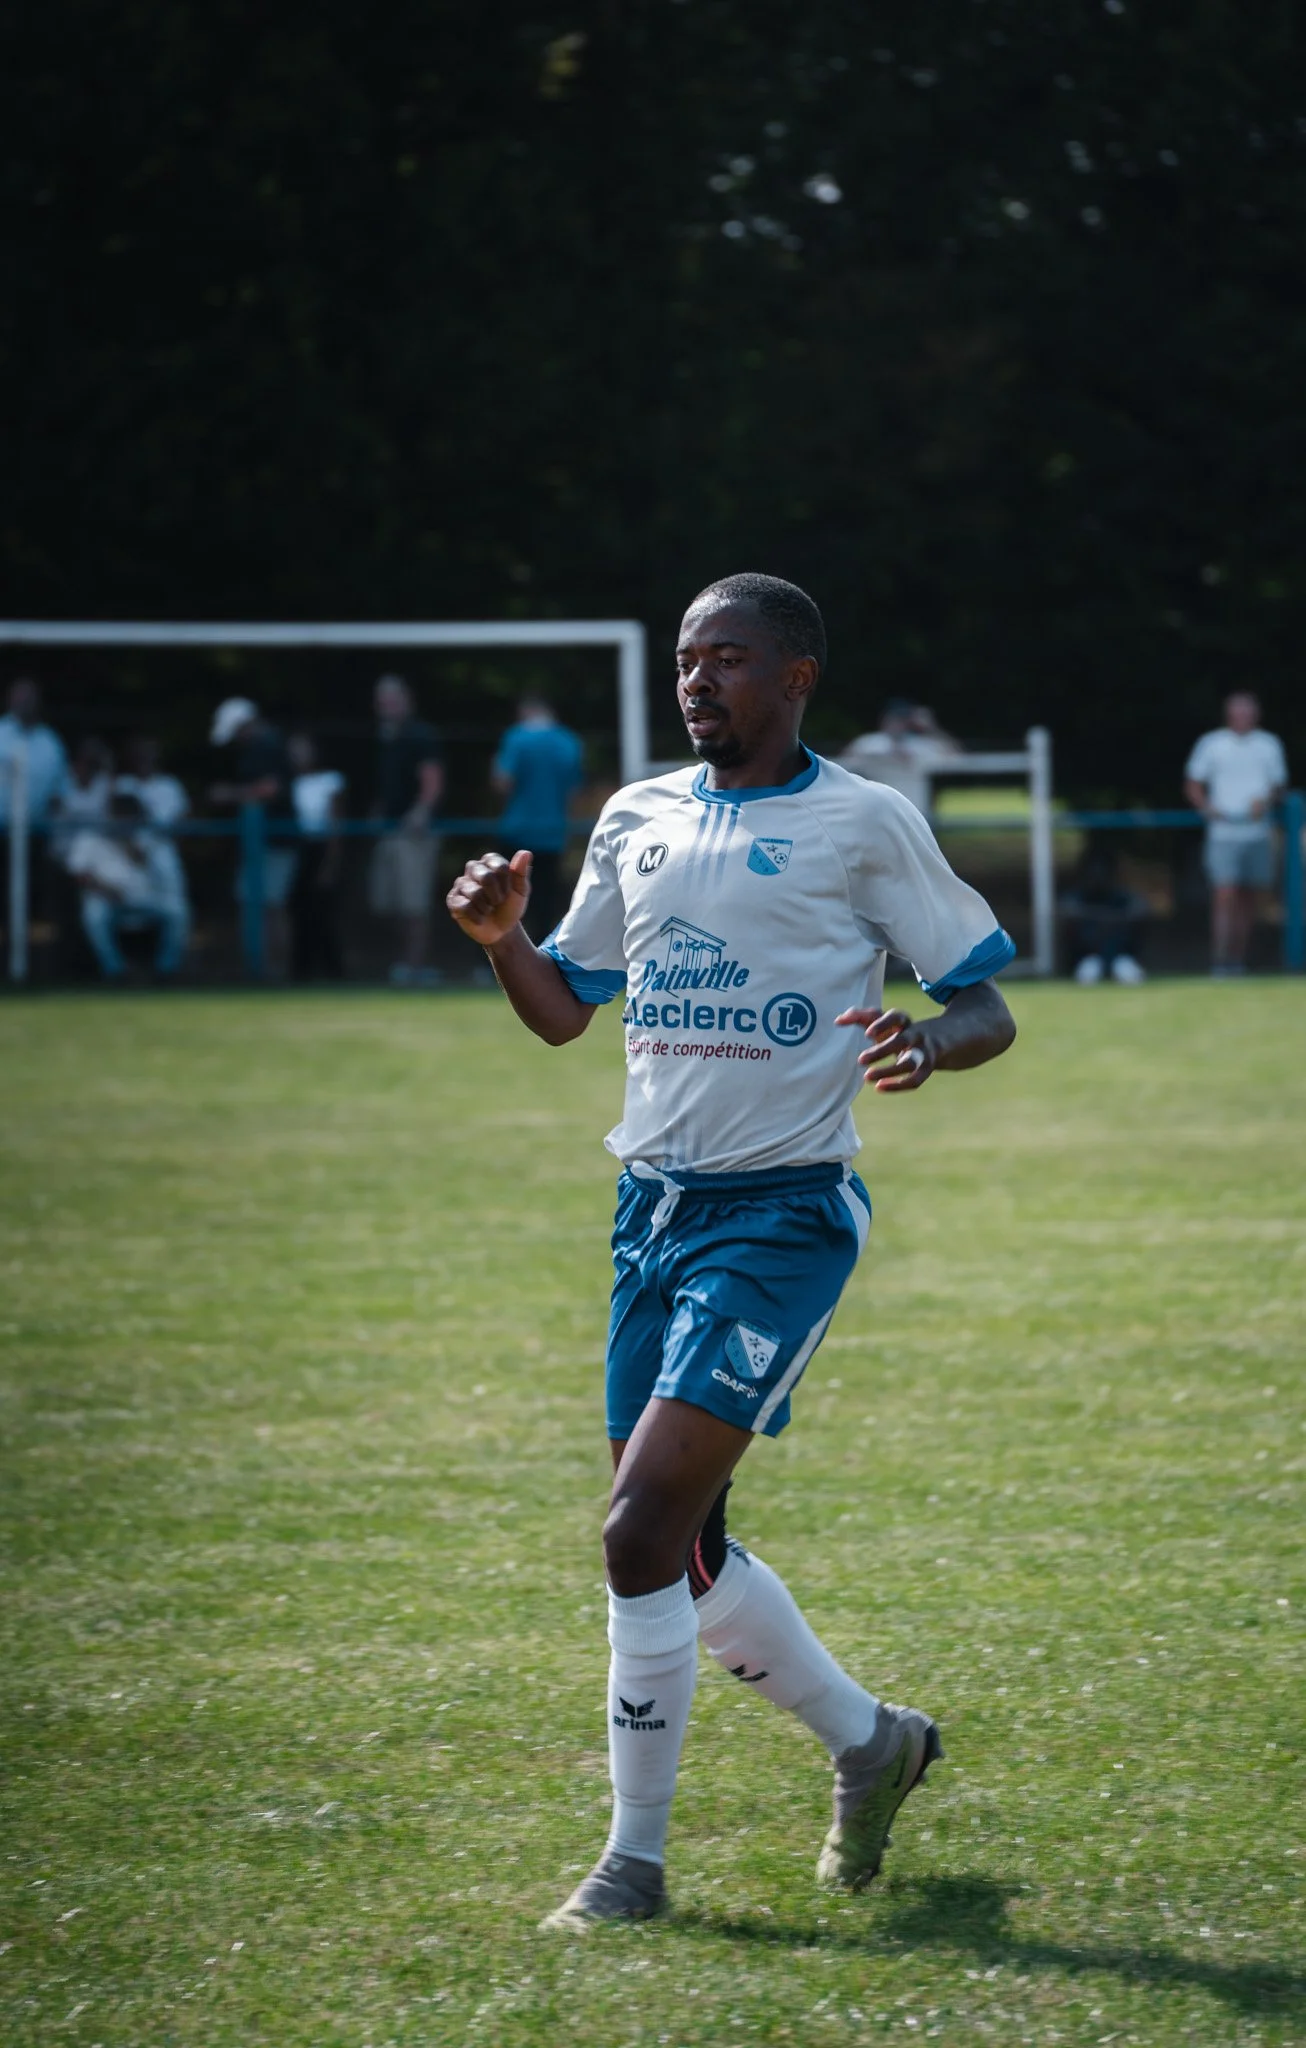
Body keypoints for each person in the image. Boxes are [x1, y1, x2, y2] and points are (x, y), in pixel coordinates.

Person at [447, 572, 1017, 1931]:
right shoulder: (636, 817)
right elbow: (562, 1013)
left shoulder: (862, 820)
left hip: (780, 1216)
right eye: (689, 662)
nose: (700, 682)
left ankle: (630, 1869)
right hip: (649, 1213)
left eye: (731, 660)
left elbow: (984, 997)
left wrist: (927, 1042)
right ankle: (875, 1745)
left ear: (796, 676)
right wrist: (498, 940)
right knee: (679, 1550)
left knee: (638, 1528)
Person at [1184, 692, 1288, 977]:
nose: (1243, 719)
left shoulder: (1269, 745)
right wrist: (1208, 808)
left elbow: (1278, 787)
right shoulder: (1212, 743)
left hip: (1257, 833)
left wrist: (1264, 801)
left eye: (1248, 714)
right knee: (1224, 895)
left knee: (1248, 901)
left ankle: (1237, 962)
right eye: (1238, 714)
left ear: (1256, 716)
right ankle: (1219, 961)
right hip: (1223, 835)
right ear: (1228, 716)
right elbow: (1193, 784)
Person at [209, 697, 297, 976]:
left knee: (271, 906)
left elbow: (271, 789)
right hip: (261, 842)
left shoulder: (267, 746)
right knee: (254, 904)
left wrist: (230, 794)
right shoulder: (262, 746)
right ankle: (261, 968)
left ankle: (274, 971)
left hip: (276, 841)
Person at [369, 675, 445, 987]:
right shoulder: (384, 738)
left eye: (393, 699)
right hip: (388, 831)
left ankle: (414, 968)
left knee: (413, 903)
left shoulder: (420, 735)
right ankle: (404, 963)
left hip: (412, 833)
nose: (387, 706)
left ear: (407, 701)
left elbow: (432, 778)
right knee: (389, 903)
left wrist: (420, 812)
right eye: (382, 700)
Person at [65, 791, 188, 981]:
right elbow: (79, 874)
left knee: (177, 911)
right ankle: (116, 972)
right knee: (94, 915)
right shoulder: (90, 836)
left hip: (144, 898)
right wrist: (106, 890)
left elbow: (144, 862)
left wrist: (127, 841)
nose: (126, 823)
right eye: (121, 818)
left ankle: (166, 970)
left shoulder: (143, 835)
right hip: (106, 898)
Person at [491, 696, 584, 940]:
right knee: (544, 901)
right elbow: (573, 791)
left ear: (526, 710)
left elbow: (503, 782)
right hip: (553, 832)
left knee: (507, 899)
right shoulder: (568, 741)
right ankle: (541, 957)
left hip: (517, 829)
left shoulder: (516, 738)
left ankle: (501, 957)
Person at [115, 736, 191, 937]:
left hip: (163, 850)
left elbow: (183, 819)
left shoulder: (170, 785)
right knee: (129, 908)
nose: (145, 759)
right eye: (140, 755)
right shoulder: (123, 784)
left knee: (175, 905)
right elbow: (113, 819)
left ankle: (171, 962)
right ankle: (128, 962)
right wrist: (129, 847)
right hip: (128, 853)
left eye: (149, 755)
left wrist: (171, 846)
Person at [288, 732, 346, 980]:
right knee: (299, 911)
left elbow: (336, 823)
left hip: (322, 848)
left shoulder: (330, 780)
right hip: (300, 849)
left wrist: (330, 862)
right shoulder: (291, 782)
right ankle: (302, 969)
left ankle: (332, 970)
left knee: (323, 911)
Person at [840, 700, 961, 818]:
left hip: (916, 814)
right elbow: (844, 761)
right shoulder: (870, 742)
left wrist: (931, 728)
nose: (897, 723)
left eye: (902, 719)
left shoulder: (922, 745)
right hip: (878, 813)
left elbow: (957, 757)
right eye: (893, 718)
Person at [1062, 838, 1148, 986]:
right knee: (1088, 976)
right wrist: (1105, 918)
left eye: (1102, 872)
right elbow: (1067, 911)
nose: (1098, 877)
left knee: (1129, 975)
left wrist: (1108, 919)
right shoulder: (1079, 897)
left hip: (1120, 958)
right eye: (1094, 872)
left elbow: (1141, 911)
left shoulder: (1121, 897)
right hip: (1089, 958)